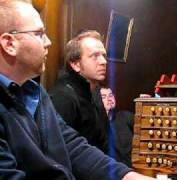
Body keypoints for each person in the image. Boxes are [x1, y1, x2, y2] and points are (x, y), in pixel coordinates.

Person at [0, 0, 154, 179]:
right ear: (9, 44)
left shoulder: (37, 93)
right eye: (39, 34)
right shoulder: (63, 97)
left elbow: (72, 147)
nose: (48, 42)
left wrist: (128, 176)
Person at [49, 29, 109, 153]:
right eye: (95, 56)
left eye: (103, 55)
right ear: (75, 64)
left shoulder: (95, 92)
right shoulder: (62, 97)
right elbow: (61, 153)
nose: (103, 61)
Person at [98, 87, 134, 167]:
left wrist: (147, 104)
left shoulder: (126, 116)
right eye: (104, 97)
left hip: (131, 170)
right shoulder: (96, 124)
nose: (109, 99)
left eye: (111, 95)